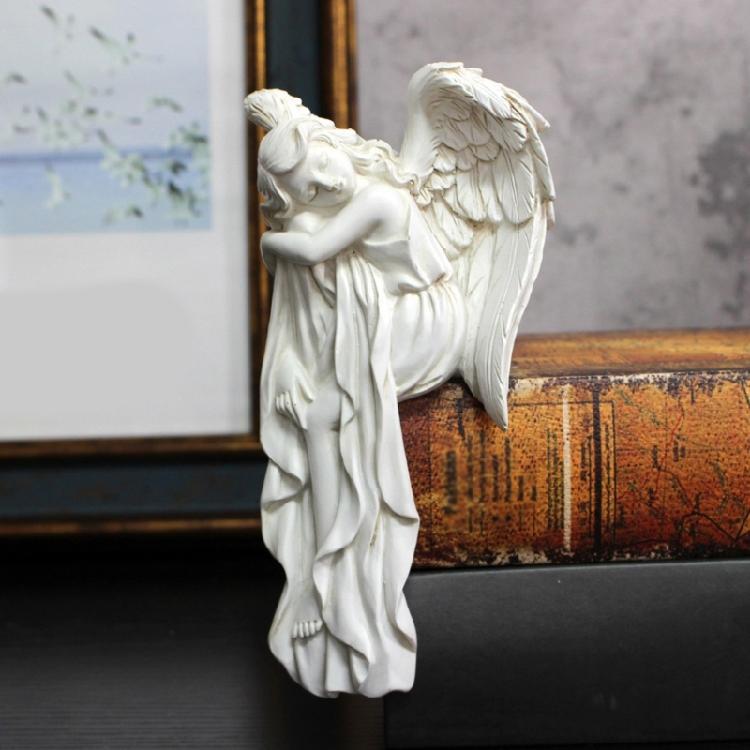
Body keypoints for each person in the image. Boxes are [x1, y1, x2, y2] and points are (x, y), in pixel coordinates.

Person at [256, 112, 467, 697]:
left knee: (323, 415)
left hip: (425, 319)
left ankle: (326, 579)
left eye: (323, 164)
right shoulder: (330, 205)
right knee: (322, 397)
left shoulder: (376, 196)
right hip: (388, 312)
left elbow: (310, 247)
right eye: (309, 187)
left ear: (333, 144)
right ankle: (325, 574)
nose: (326, 183)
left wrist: (270, 237)